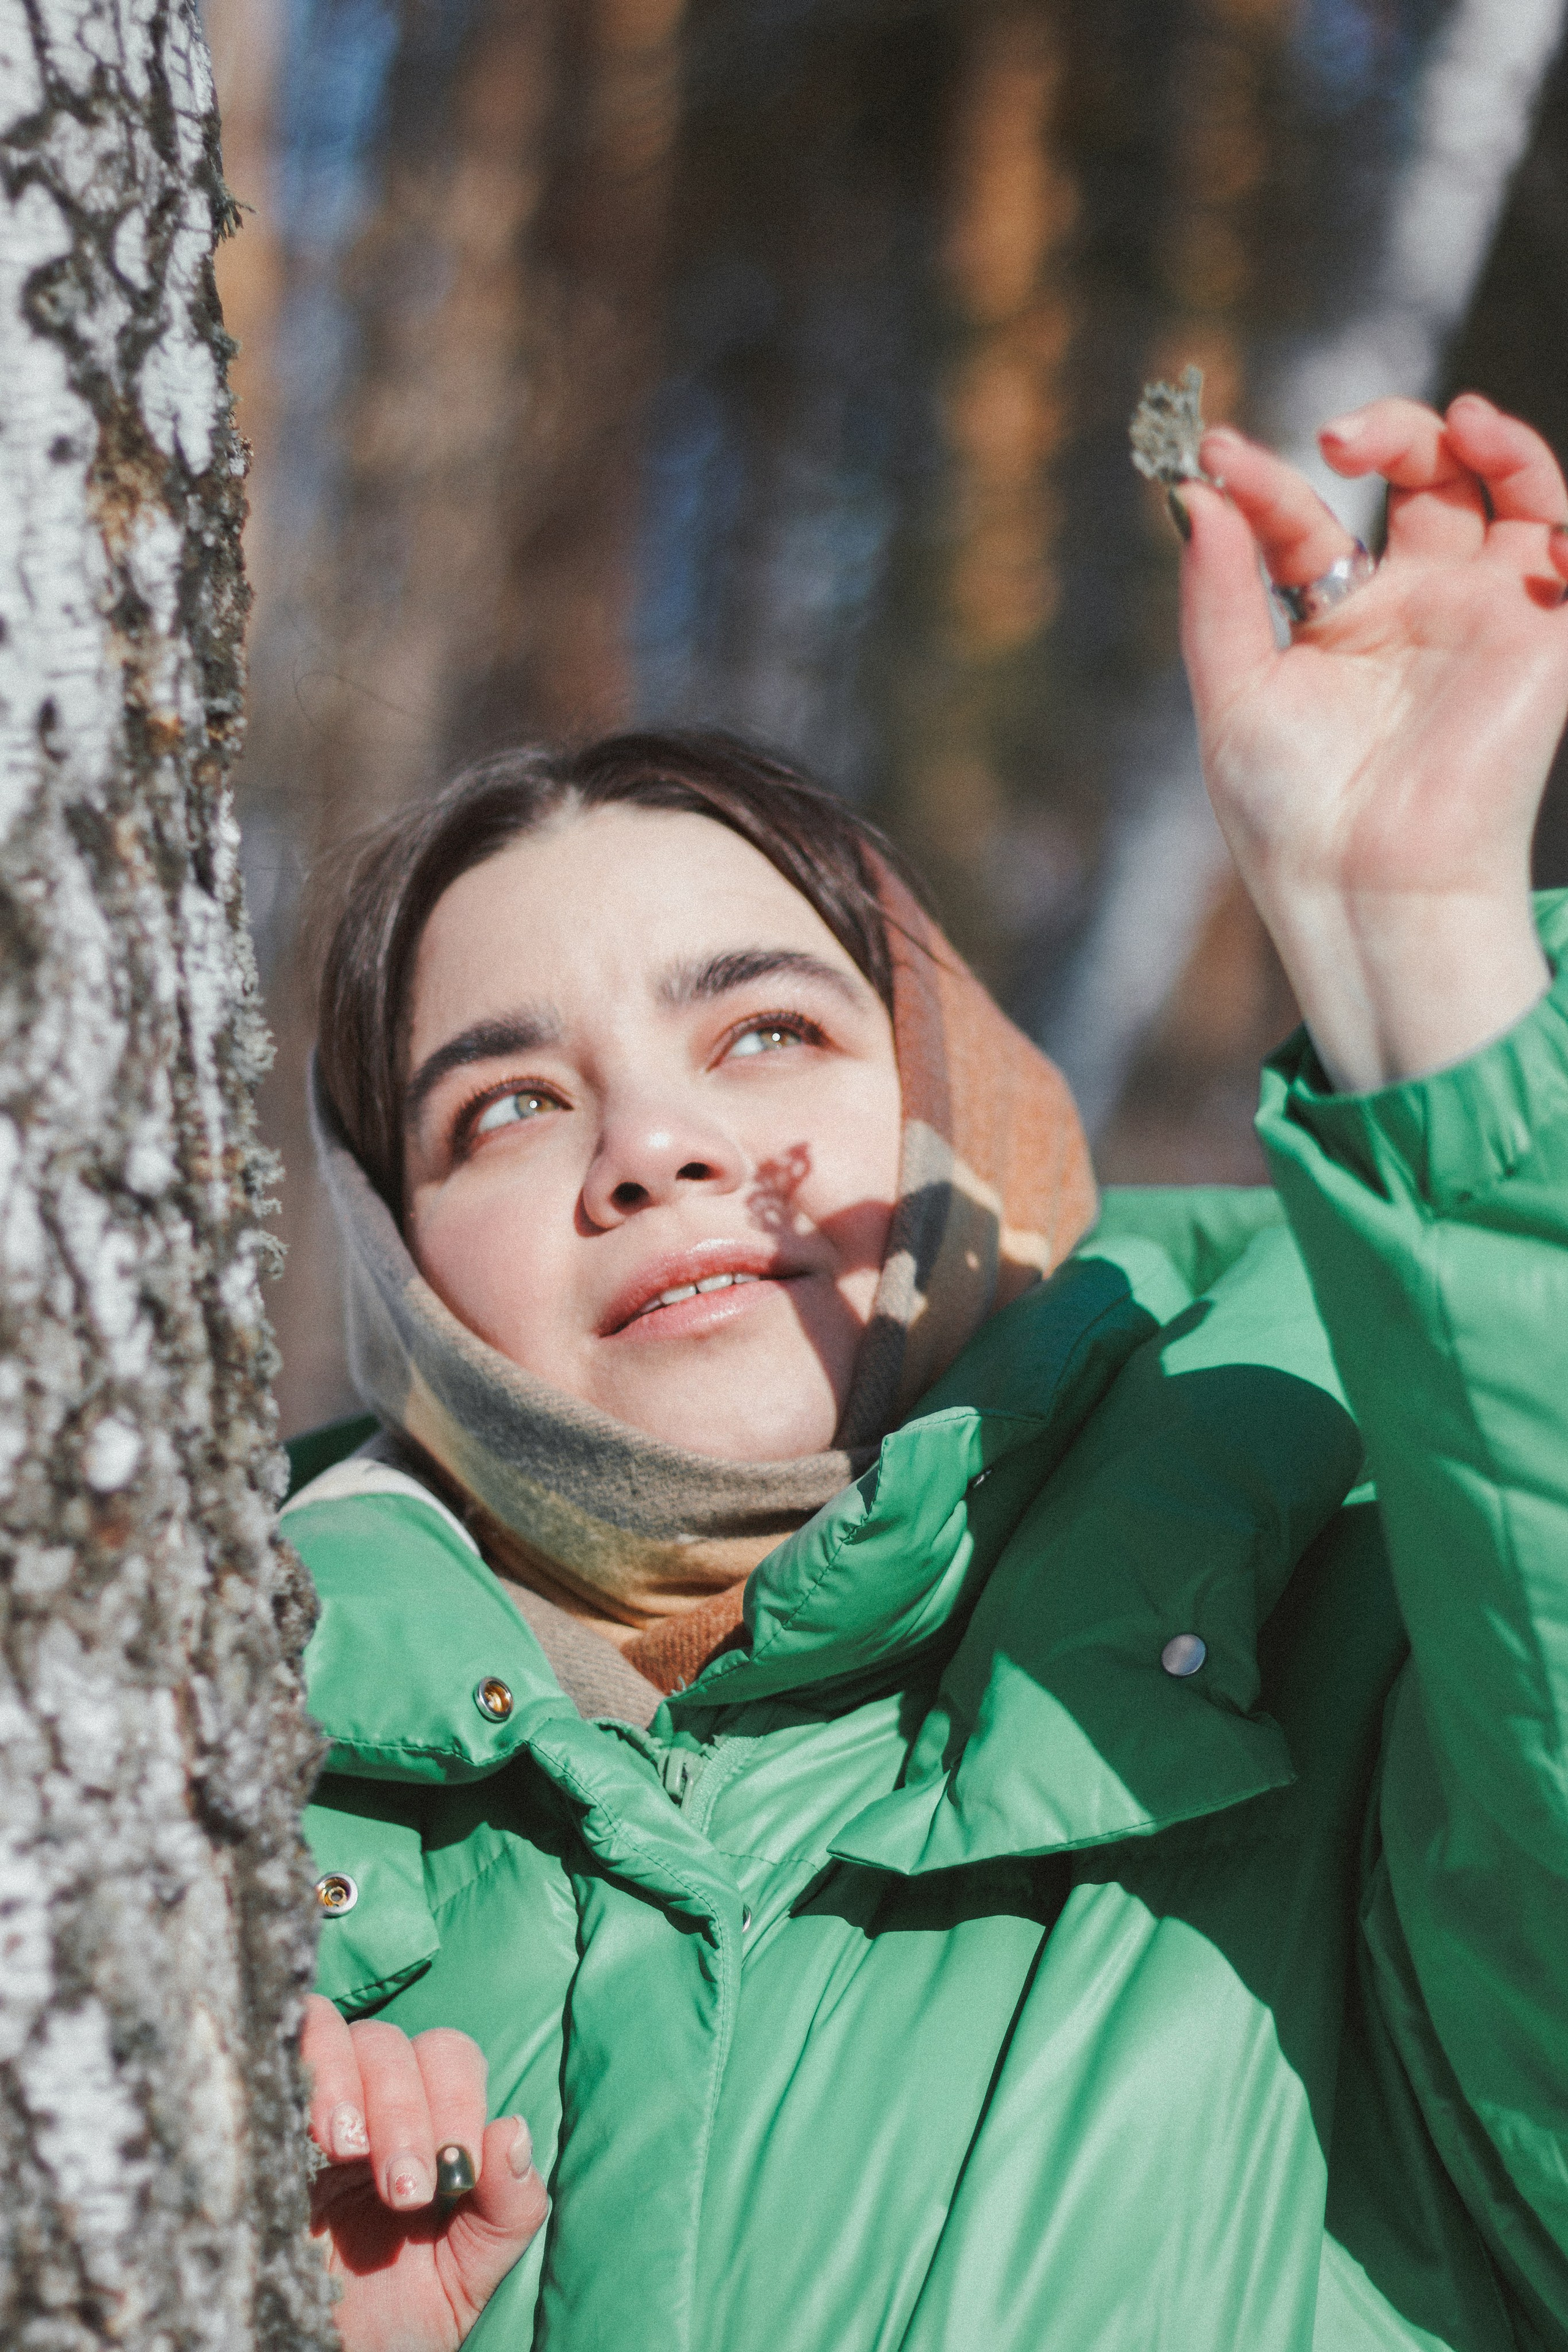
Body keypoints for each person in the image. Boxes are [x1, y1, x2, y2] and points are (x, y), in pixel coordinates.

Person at [287, 394, 1568, 2352]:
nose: (656, 1147)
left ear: (960, 1100)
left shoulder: (1367, 1630)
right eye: (511, 1104)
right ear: (397, 1270)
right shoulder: (212, 1834)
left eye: (765, 1036)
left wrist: (1417, 954)